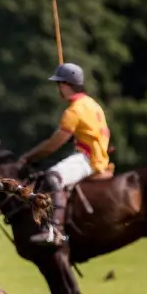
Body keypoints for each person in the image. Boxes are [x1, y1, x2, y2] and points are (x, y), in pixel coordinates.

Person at [18, 63, 111, 246]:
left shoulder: (74, 110)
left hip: (88, 159)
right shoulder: (91, 103)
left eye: (59, 84)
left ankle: (55, 231)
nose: (58, 88)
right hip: (98, 155)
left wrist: (28, 157)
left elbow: (53, 144)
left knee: (52, 177)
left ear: (66, 84)